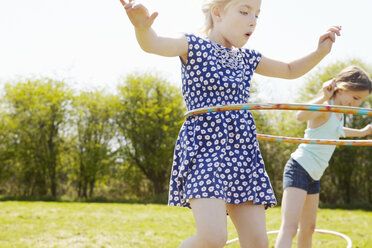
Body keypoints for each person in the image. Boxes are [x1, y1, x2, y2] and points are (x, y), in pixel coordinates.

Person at [119, 0, 341, 247]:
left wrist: (320, 52)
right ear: (217, 13)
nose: (253, 20)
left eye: (257, 15)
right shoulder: (192, 45)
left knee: (257, 242)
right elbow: (155, 44)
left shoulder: (247, 58)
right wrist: (141, 28)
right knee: (213, 238)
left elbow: (289, 70)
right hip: (205, 149)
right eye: (244, 11)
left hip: (242, 152)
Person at [275, 66, 372, 248]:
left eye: (361, 101)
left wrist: (362, 132)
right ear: (341, 88)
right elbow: (300, 116)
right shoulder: (325, 108)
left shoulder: (338, 113)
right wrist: (323, 96)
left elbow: (336, 131)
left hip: (314, 175)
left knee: (309, 228)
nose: (357, 105)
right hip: (299, 168)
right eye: (356, 98)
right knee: (290, 227)